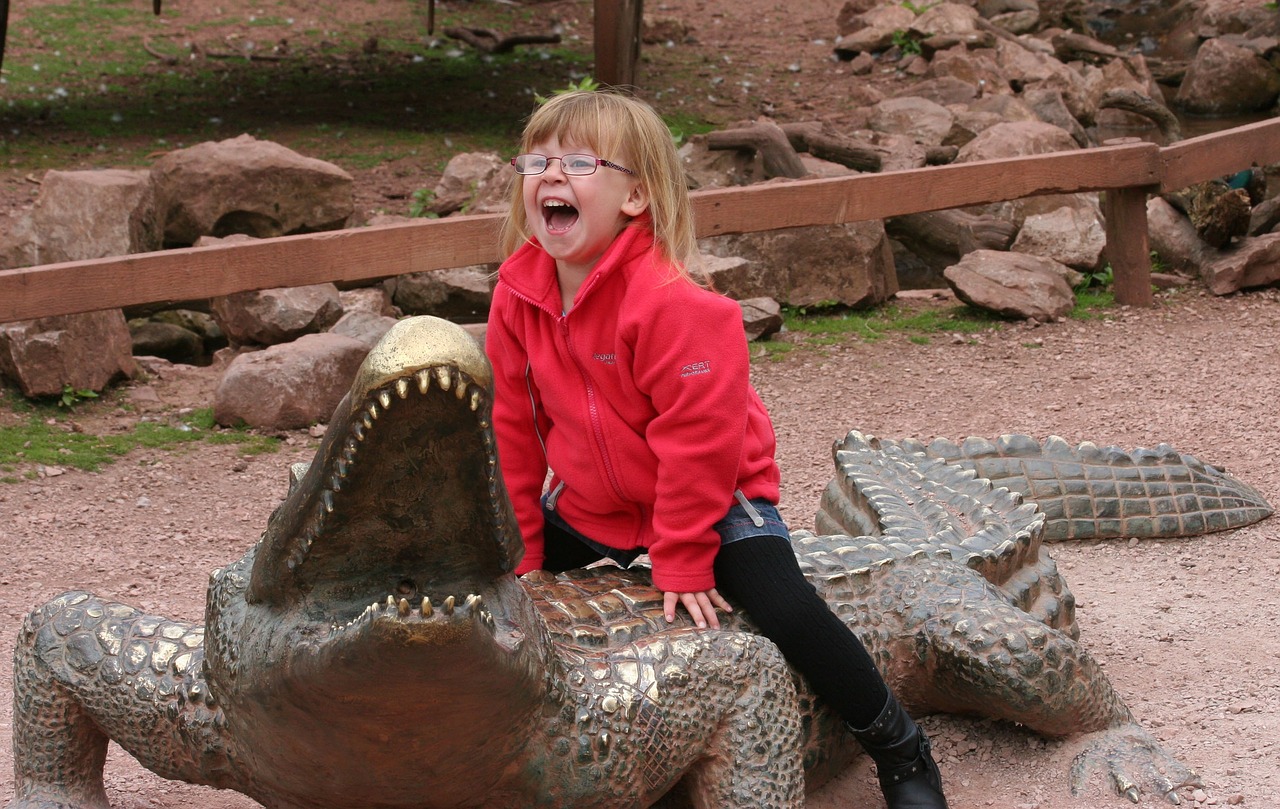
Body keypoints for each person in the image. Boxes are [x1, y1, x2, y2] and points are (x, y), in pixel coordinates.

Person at [485, 88, 948, 809]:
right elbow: (512, 427)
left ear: (635, 195)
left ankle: (897, 744)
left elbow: (698, 442)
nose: (551, 174)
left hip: (714, 495)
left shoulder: (676, 303)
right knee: (478, 577)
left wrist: (680, 552)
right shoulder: (517, 296)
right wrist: (522, 557)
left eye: (578, 161)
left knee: (785, 607)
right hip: (593, 503)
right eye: (537, 159)